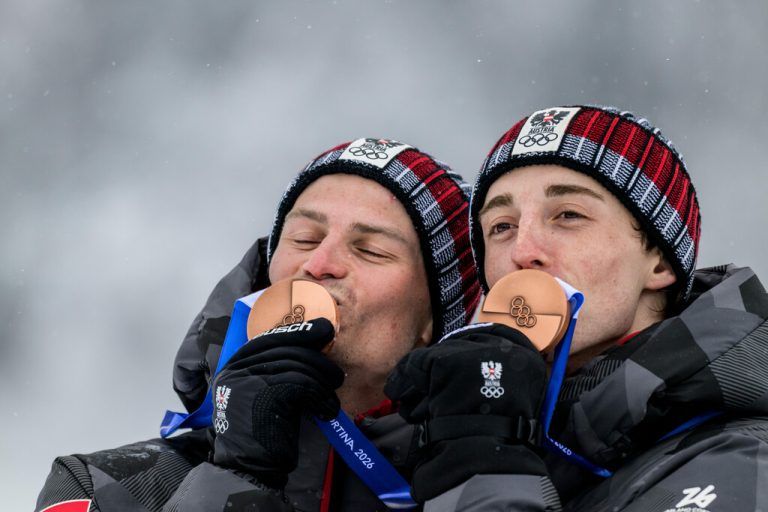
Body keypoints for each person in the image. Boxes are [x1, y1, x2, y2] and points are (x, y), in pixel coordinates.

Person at [35, 138, 481, 511]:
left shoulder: (489, 486)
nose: (318, 263)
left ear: (434, 319)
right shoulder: (105, 486)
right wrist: (237, 476)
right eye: (304, 238)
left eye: (370, 250)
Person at [386, 106, 768, 511]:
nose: (523, 251)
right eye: (501, 226)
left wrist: (485, 461)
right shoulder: (453, 423)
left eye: (568, 215)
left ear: (659, 261)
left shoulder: (743, 458)